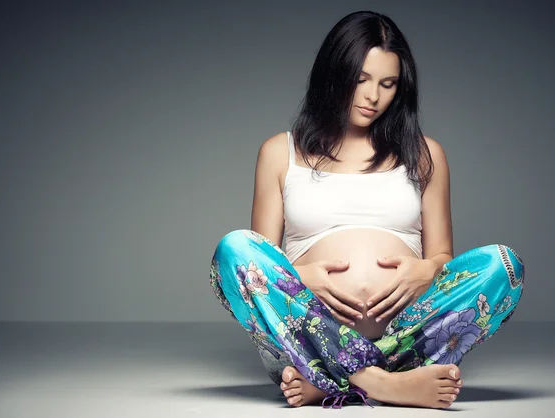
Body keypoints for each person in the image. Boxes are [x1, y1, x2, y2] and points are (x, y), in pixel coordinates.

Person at [209, 10, 524, 410]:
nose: (373, 96)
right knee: (233, 248)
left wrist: (424, 270)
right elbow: (260, 262)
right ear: (333, 74)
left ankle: (333, 384)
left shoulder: (426, 155)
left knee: (504, 266)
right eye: (360, 80)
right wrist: (303, 279)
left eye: (387, 84)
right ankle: (379, 382)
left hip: (405, 336)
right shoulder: (278, 153)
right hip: (305, 341)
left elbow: (443, 257)